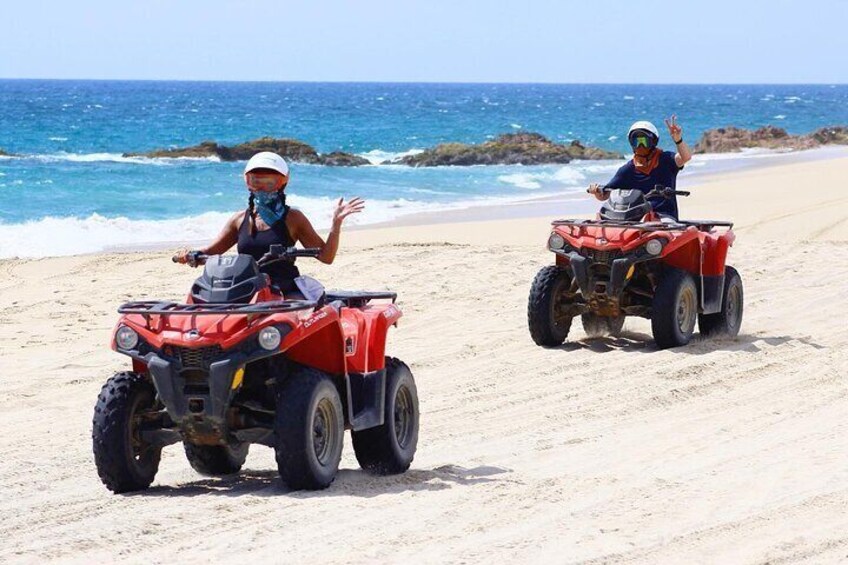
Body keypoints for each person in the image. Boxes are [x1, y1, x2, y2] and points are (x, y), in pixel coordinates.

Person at [175, 151, 364, 295]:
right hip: (245, 288)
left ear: (283, 183)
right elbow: (211, 253)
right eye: (256, 181)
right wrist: (190, 255)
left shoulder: (293, 218)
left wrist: (336, 224)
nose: (262, 188)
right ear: (247, 183)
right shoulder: (239, 219)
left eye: (270, 182)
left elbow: (325, 257)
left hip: (284, 290)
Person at [588, 115, 692, 219]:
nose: (640, 146)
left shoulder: (666, 159)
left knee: (665, 229)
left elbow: (685, 157)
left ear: (653, 142)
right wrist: (597, 191)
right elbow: (605, 193)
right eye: (636, 142)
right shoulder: (627, 170)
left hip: (663, 216)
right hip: (635, 217)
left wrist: (678, 140)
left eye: (644, 141)